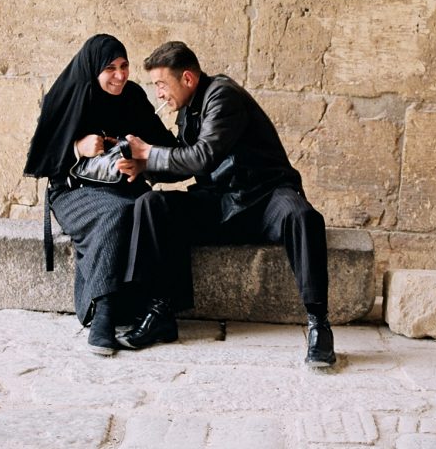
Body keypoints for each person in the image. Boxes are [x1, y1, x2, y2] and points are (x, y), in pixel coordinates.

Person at [115, 41, 336, 367]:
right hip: (221, 203)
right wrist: (142, 166)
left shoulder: (222, 96)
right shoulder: (188, 111)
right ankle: (161, 311)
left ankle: (319, 325)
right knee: (153, 205)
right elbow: (189, 165)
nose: (159, 94)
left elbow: (203, 154)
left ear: (187, 78)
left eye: (162, 84)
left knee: (303, 217)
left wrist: (148, 153)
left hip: (266, 196)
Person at [23, 33, 177, 356]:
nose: (120, 75)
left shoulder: (132, 97)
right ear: (94, 69)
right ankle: (102, 314)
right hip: (73, 192)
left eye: (125, 66)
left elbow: (166, 149)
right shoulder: (69, 96)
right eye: (110, 69)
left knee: (149, 208)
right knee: (115, 213)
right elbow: (43, 159)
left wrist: (141, 162)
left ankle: (152, 310)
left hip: (124, 186)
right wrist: (77, 148)